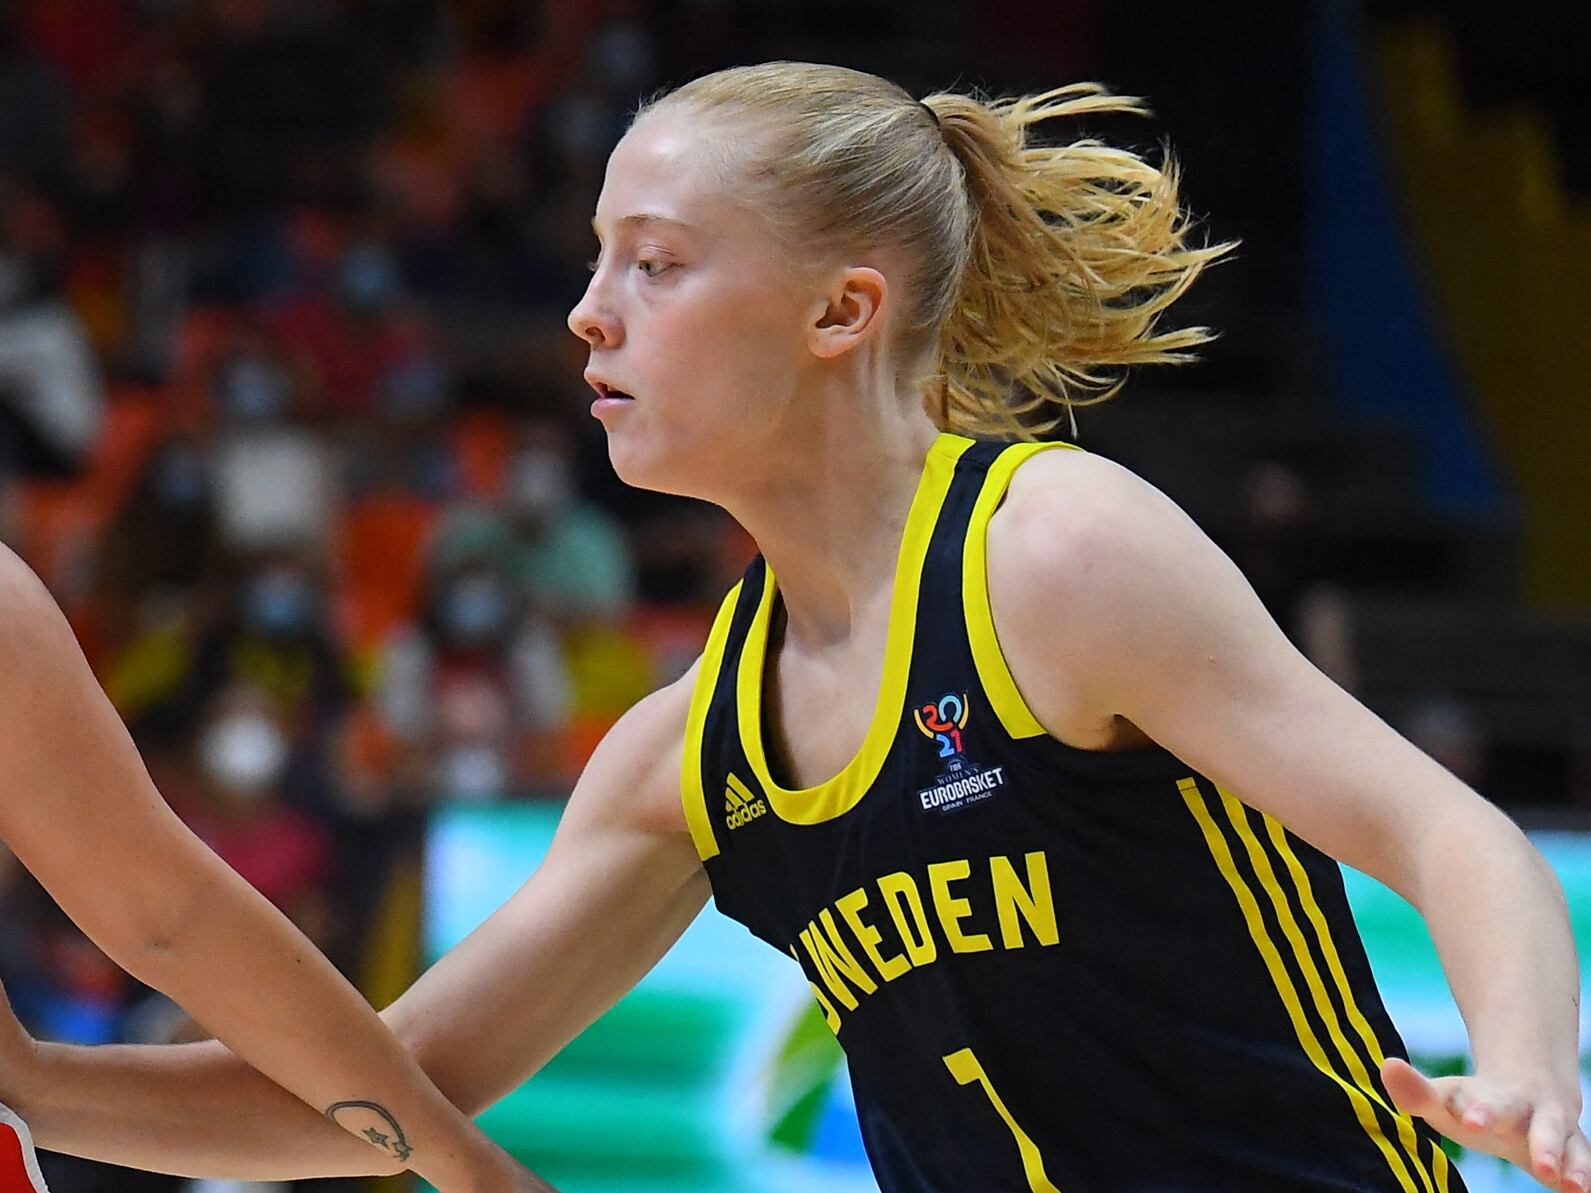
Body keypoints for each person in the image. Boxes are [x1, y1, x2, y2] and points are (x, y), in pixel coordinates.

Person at [0, 62, 1584, 1193]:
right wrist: (41, 1083)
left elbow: (1448, 831)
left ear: (840, 312)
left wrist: (1524, 1064)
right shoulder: (689, 751)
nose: (586, 310)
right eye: (596, 257)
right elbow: (379, 1093)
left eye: (657, 264)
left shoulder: (1054, 556)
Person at [0, 544, 541, 1193]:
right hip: (156, 1022)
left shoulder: (302, 835)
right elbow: (163, 926)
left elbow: (36, 1079)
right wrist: (467, 1162)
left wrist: (454, 1155)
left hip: (218, 1040)